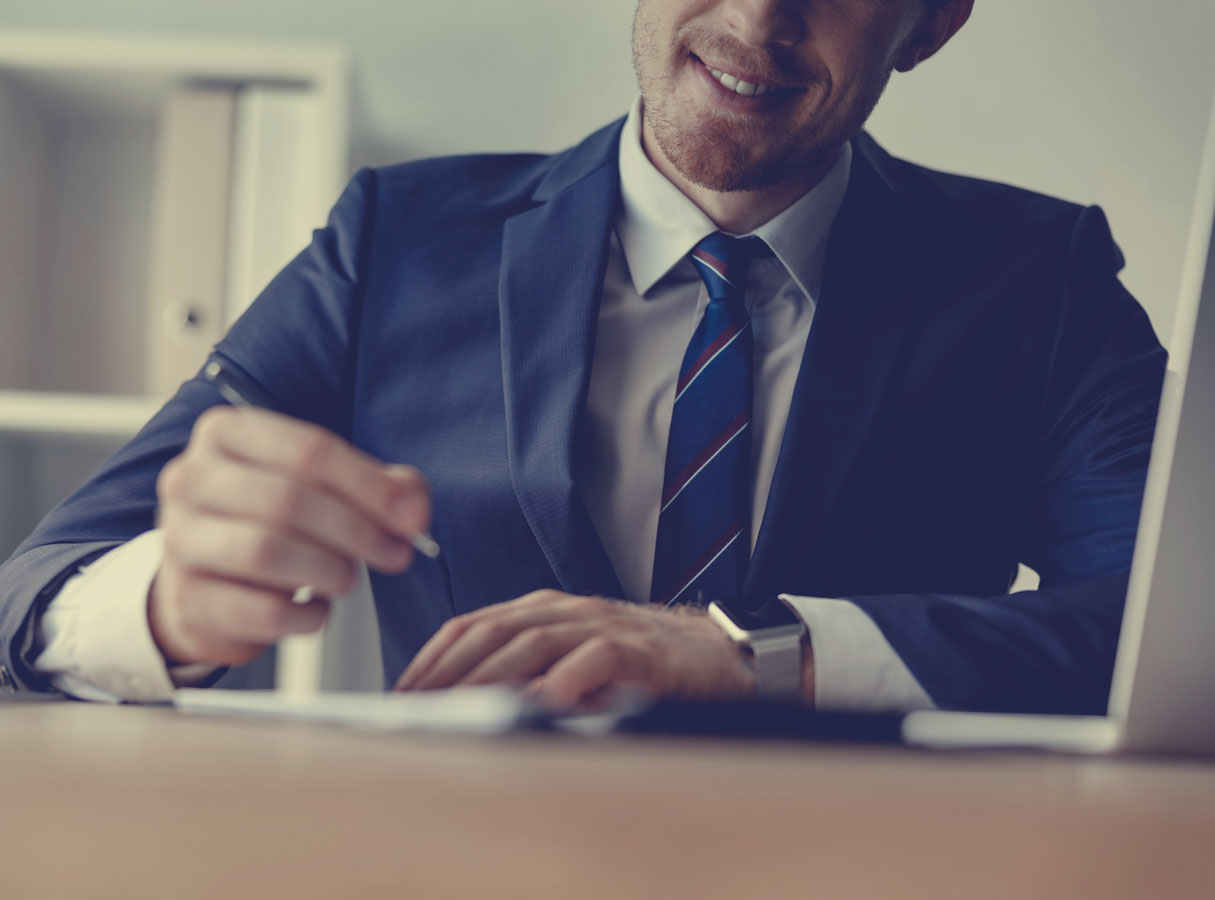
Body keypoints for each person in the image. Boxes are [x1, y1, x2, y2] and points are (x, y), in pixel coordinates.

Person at [0, 0, 1166, 714]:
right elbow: (31, 591)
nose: (760, 19)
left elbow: (1170, 638)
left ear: (933, 19)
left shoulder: (1042, 282)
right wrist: (165, 604)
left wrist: (756, 657)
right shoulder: (391, 242)